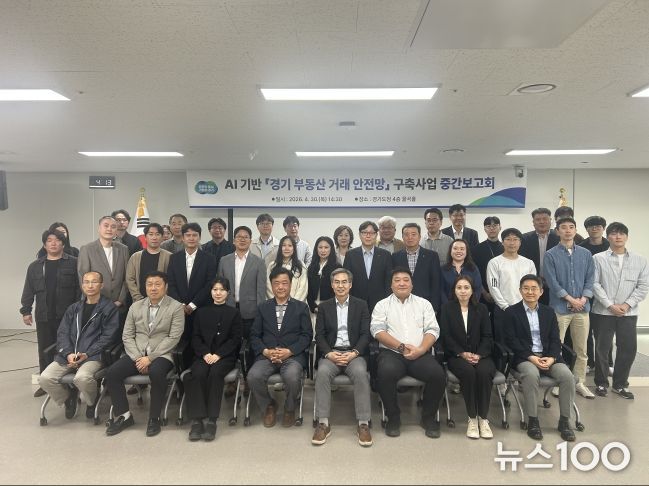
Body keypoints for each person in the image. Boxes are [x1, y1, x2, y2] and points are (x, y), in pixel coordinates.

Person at [105, 271, 185, 437]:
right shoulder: (135, 306)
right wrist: (138, 358)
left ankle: (154, 418)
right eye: (149, 284)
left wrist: (150, 358)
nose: (153, 288)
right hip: (136, 353)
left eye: (157, 284)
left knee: (156, 372)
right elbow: (127, 335)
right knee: (112, 373)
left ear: (166, 287)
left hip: (162, 354)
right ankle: (124, 416)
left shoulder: (176, 307)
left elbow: (173, 337)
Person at [370, 267, 446, 439]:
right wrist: (402, 348)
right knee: (385, 373)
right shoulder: (382, 305)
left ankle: (428, 418)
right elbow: (377, 331)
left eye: (406, 280)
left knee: (438, 375)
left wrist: (421, 349)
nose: (402, 283)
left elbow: (433, 330)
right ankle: (393, 418)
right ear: (391, 285)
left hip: (420, 353)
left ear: (412, 284)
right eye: (397, 280)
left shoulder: (424, 304)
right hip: (391, 353)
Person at [504, 275, 576, 442]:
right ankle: (533, 420)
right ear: (520, 291)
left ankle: (564, 421)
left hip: (548, 356)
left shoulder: (548, 312)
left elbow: (555, 340)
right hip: (524, 357)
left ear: (541, 291)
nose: (530, 292)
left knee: (567, 376)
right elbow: (511, 340)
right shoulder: (511, 312)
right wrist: (531, 357)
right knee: (531, 374)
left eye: (534, 288)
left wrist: (552, 358)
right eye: (526, 288)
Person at [38, 271, 119, 419]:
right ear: (82, 285)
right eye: (86, 282)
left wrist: (86, 354)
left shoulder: (109, 308)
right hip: (69, 356)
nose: (90, 285)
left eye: (94, 282)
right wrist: (68, 353)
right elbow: (62, 333)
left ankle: (92, 401)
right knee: (45, 378)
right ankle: (68, 398)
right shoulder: (73, 308)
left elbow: (109, 337)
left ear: (101, 285)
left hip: (94, 356)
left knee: (81, 378)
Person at [312, 268, 372, 447]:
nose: (340, 286)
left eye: (344, 282)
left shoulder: (361, 305)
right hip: (332, 353)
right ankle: (323, 423)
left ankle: (363, 423)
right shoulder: (324, 307)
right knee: (322, 373)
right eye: (337, 282)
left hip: (354, 353)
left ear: (350, 284)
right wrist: (329, 353)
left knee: (361, 373)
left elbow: (365, 334)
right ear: (332, 285)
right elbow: (319, 335)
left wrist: (354, 353)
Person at [247, 267, 312, 428]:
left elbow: (307, 336)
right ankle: (269, 406)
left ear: (290, 284)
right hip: (267, 355)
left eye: (284, 283)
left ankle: (289, 408)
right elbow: (254, 335)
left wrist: (289, 351)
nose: (281, 287)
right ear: (271, 285)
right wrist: (265, 351)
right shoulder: (263, 307)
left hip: (292, 356)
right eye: (276, 283)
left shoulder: (301, 307)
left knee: (292, 376)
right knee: (253, 376)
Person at [592, 222, 649, 399]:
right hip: (603, 311)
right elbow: (594, 284)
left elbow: (643, 285)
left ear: (626, 237)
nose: (618, 237)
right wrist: (610, 305)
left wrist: (626, 305)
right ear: (607, 236)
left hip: (628, 313)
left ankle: (620, 384)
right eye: (614, 233)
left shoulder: (640, 260)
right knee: (602, 348)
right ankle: (601, 383)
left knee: (628, 348)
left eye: (622, 233)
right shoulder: (598, 258)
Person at [21, 228, 81, 397]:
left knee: (69, 349)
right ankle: (45, 382)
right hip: (44, 315)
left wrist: (78, 311)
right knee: (44, 349)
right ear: (44, 245)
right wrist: (26, 310)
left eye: (57, 240)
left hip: (67, 316)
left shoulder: (74, 263)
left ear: (63, 243)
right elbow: (28, 290)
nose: (53, 243)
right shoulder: (35, 266)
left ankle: (72, 383)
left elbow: (79, 290)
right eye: (49, 240)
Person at [183, 277, 242, 441]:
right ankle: (197, 421)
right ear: (210, 292)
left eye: (222, 290)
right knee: (197, 373)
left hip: (225, 357)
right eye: (215, 289)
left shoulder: (234, 313)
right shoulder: (201, 312)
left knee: (215, 374)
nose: (218, 293)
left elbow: (235, 339)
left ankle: (212, 421)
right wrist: (205, 354)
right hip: (203, 355)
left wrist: (218, 355)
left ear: (228, 293)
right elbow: (195, 337)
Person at [543, 217, 595, 399]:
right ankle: (559, 381)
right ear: (557, 231)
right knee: (556, 348)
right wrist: (571, 300)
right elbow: (552, 282)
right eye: (563, 227)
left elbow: (591, 279)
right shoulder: (550, 255)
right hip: (560, 308)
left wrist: (582, 299)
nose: (567, 230)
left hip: (582, 308)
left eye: (571, 227)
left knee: (582, 349)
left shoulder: (586, 254)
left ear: (575, 230)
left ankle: (579, 382)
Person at [439, 275, 495, 439]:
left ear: (472, 291)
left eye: (466, 287)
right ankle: (472, 418)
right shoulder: (447, 309)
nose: (463, 291)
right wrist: (462, 353)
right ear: (454, 291)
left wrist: (479, 354)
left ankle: (483, 419)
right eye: (459, 288)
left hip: (481, 355)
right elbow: (445, 336)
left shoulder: (481, 309)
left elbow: (487, 336)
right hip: (456, 356)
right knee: (469, 373)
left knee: (484, 372)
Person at [217, 226, 267, 382]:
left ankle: (248, 381)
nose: (242, 239)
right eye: (239, 236)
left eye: (246, 237)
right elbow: (220, 286)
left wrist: (260, 313)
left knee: (249, 347)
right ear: (233, 240)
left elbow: (261, 290)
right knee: (229, 344)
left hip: (250, 311)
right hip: (228, 309)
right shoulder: (224, 260)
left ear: (250, 241)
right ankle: (232, 381)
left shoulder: (258, 262)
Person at [167, 222, 217, 341]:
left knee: (201, 340)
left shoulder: (209, 258)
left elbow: (209, 284)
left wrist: (193, 305)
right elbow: (171, 284)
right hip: (179, 309)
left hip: (202, 308)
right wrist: (181, 305)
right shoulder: (174, 258)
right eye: (188, 235)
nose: (191, 238)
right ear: (183, 238)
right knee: (181, 341)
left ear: (199, 237)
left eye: (194, 235)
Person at [485, 228, 536, 343]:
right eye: (508, 239)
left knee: (525, 342)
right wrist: (505, 307)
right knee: (503, 344)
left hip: (525, 309)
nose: (512, 243)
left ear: (520, 242)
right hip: (503, 310)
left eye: (515, 239)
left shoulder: (528, 263)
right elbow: (493, 287)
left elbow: (532, 287)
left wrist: (527, 305)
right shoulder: (494, 262)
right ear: (502, 242)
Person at [77, 216, 129, 321]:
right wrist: (94, 300)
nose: (109, 229)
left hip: (118, 307)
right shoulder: (87, 249)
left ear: (116, 230)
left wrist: (120, 300)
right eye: (106, 226)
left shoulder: (123, 249)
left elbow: (127, 277)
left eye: (113, 227)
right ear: (99, 228)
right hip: (95, 306)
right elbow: (83, 278)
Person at [579, 215, 610, 373]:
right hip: (587, 293)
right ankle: (589, 362)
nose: (595, 228)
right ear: (587, 229)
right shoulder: (581, 247)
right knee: (586, 330)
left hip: (607, 293)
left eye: (598, 226)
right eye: (591, 226)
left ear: (603, 228)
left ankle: (607, 363)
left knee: (605, 332)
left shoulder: (610, 246)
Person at [343, 221, 393, 313]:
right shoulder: (350, 255)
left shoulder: (385, 255)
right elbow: (347, 279)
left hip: (380, 303)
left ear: (376, 235)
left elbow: (389, 281)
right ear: (359, 235)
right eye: (364, 232)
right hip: (356, 302)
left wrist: (388, 302)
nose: (368, 236)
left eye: (371, 233)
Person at [392, 222, 442, 314]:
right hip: (401, 304)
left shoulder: (431, 256)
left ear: (419, 237)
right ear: (402, 237)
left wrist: (434, 307)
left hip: (425, 304)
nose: (410, 237)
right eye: (406, 234)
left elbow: (436, 283)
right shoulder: (395, 257)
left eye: (413, 234)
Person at [520, 208, 559, 305]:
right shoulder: (524, 239)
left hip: (556, 283)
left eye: (545, 219)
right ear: (533, 222)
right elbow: (522, 261)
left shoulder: (559, 237)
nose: (541, 222)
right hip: (532, 284)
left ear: (550, 220)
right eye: (538, 219)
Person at [126, 223, 172, 302]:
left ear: (162, 237)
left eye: (157, 234)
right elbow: (130, 279)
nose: (154, 237)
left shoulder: (170, 257)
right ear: (145, 237)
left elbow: (172, 280)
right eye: (151, 234)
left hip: (162, 301)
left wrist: (162, 297)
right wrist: (138, 298)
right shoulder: (135, 257)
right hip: (139, 301)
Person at [472, 216, 504, 313]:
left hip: (503, 293)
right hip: (483, 293)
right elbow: (474, 273)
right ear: (484, 229)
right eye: (488, 226)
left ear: (500, 227)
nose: (492, 228)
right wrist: (484, 292)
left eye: (495, 226)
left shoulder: (505, 248)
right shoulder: (476, 249)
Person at [266, 236, 308, 302]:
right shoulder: (272, 266)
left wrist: (293, 303)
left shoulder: (301, 266)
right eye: (284, 245)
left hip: (296, 305)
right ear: (280, 248)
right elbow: (268, 286)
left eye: (290, 246)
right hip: (276, 304)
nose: (286, 248)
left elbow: (303, 288)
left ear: (294, 248)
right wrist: (278, 301)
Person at [306, 236, 341, 314]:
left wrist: (327, 307)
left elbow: (338, 289)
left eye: (326, 247)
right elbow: (309, 290)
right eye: (320, 247)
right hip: (314, 309)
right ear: (316, 249)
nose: (323, 250)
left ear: (331, 249)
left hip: (331, 309)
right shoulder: (312, 267)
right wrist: (313, 307)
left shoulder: (337, 267)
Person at [440, 239, 482, 304]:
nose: (458, 251)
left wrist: (470, 306)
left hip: (470, 306)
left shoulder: (473, 269)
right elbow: (441, 291)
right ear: (450, 251)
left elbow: (478, 289)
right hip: (448, 307)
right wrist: (448, 307)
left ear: (466, 252)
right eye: (455, 248)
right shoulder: (443, 269)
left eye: (462, 249)